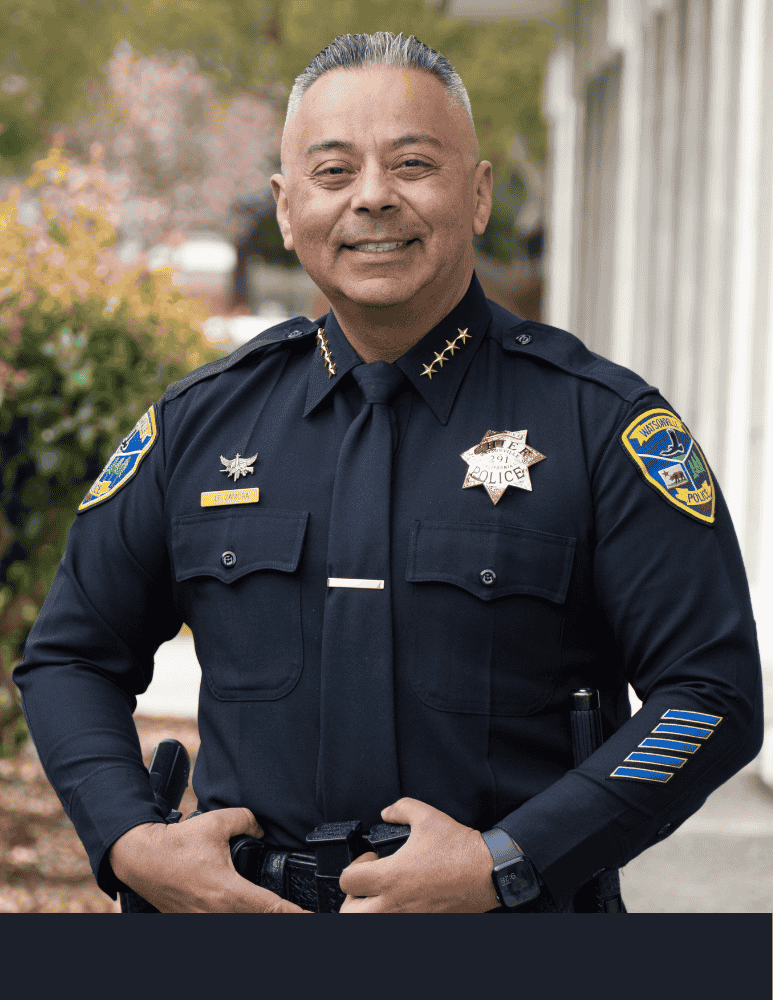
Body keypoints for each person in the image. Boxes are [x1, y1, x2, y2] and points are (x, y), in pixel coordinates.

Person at [14, 32, 763, 914]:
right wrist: (133, 842)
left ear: (477, 194)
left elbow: (708, 696)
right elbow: (68, 656)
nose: (373, 197)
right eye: (333, 173)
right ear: (286, 208)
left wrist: (511, 858)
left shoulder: (600, 425)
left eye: (412, 164)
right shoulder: (198, 425)